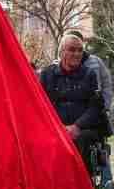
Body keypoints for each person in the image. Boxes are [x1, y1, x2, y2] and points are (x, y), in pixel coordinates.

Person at [38, 33, 106, 168]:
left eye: (80, 50)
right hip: (55, 128)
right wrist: (58, 128)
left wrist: (77, 126)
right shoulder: (47, 75)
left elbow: (95, 107)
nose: (77, 54)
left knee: (83, 140)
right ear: (62, 52)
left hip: (82, 129)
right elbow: (41, 105)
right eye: (72, 50)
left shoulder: (89, 74)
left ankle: (80, 182)